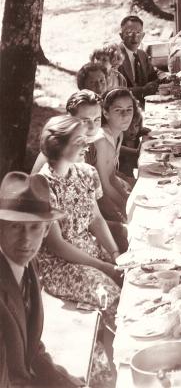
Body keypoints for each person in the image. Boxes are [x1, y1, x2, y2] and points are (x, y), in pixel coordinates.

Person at [0, 172, 85, 387]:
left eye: (35, 227)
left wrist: (67, 383)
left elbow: (31, 349)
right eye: (16, 226)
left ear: (47, 229)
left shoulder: (28, 265)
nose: (26, 239)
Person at [37, 116, 122, 315]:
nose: (87, 144)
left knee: (135, 274)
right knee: (112, 295)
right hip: (61, 265)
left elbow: (96, 219)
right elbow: (56, 244)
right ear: (57, 145)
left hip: (91, 252)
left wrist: (115, 254)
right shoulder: (42, 185)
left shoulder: (86, 172)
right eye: (79, 141)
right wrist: (104, 266)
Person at [32, 90, 103, 174]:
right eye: (85, 121)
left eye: (97, 120)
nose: (93, 127)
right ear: (69, 119)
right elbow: (33, 183)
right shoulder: (55, 151)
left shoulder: (93, 145)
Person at [94, 88, 136, 230]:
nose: (125, 116)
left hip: (107, 194)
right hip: (96, 203)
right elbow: (104, 186)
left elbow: (112, 177)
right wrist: (126, 209)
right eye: (118, 110)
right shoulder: (101, 141)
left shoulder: (118, 134)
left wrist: (128, 202)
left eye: (129, 109)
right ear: (106, 113)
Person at [117, 15, 163, 101]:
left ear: (143, 35)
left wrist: (166, 78)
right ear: (121, 35)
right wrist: (142, 90)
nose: (135, 37)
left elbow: (153, 76)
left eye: (138, 33)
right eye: (129, 33)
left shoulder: (142, 55)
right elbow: (114, 90)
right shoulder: (114, 56)